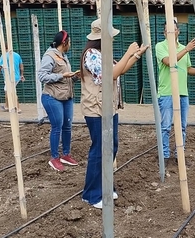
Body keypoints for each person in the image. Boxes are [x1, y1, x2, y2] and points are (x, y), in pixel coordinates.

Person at [80, 18, 148, 209]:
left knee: (112, 148)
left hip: (108, 108)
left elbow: (120, 70)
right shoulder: (91, 55)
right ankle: (91, 194)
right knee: (100, 150)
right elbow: (111, 75)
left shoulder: (103, 53)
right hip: (96, 109)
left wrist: (135, 56)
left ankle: (105, 186)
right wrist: (128, 52)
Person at [155, 20, 195, 166]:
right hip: (167, 92)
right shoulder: (160, 46)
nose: (171, 32)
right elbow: (169, 62)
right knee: (166, 126)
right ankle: (164, 155)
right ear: (165, 33)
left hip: (182, 93)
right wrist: (187, 49)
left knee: (182, 126)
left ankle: (179, 154)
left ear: (178, 31)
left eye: (174, 29)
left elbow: (188, 69)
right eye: (168, 30)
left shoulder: (184, 48)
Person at [38, 30, 79, 172]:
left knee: (67, 126)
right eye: (69, 42)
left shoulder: (63, 56)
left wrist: (74, 76)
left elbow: (65, 77)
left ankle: (66, 155)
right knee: (57, 127)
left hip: (66, 97)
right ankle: (54, 157)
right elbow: (42, 76)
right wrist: (61, 75)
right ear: (64, 42)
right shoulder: (49, 56)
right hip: (52, 97)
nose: (70, 45)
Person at [0, 45, 24, 113]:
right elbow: (21, 66)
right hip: (16, 77)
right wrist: (21, 75)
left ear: (5, 48)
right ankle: (7, 106)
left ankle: (17, 107)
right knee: (7, 91)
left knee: (10, 92)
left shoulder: (4, 56)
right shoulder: (17, 55)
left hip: (9, 77)